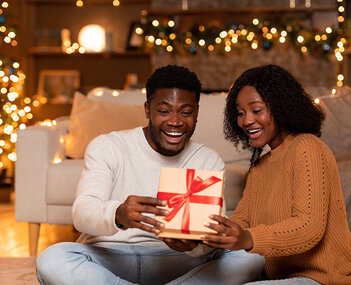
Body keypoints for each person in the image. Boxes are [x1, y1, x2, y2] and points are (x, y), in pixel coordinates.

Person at [36, 65, 265, 285]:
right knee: (52, 259)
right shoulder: (108, 146)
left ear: (196, 112)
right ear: (147, 109)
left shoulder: (207, 159)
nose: (175, 122)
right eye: (163, 111)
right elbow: (82, 211)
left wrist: (193, 245)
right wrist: (119, 214)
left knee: (252, 257)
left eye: (185, 112)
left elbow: (208, 237)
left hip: (175, 261)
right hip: (110, 256)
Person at [200, 64, 351, 284]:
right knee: (204, 275)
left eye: (256, 110)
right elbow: (242, 221)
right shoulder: (259, 166)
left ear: (281, 107)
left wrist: (247, 238)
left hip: (321, 278)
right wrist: (206, 235)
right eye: (240, 113)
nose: (246, 121)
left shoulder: (307, 147)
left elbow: (308, 228)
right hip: (275, 273)